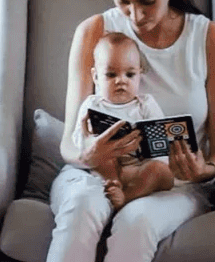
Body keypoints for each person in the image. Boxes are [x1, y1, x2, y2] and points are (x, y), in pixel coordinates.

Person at [45, 0, 215, 262]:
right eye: (123, 3)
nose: (135, 16)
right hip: (93, 171)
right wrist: (86, 155)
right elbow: (70, 141)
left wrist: (206, 170)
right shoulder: (94, 32)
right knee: (82, 206)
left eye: (147, 1)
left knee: (138, 222)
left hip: (173, 182)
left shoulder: (210, 39)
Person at [70, 32, 174, 213]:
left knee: (161, 171)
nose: (121, 81)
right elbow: (79, 140)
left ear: (140, 75)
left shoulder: (146, 105)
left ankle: (126, 197)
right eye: (111, 75)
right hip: (108, 169)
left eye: (130, 74)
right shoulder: (92, 105)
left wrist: (157, 154)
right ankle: (114, 185)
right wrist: (88, 143)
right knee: (104, 157)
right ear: (95, 77)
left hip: (139, 169)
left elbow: (161, 148)